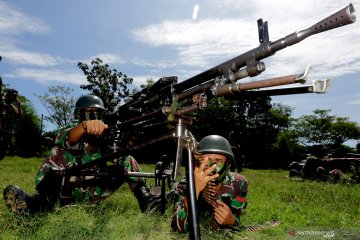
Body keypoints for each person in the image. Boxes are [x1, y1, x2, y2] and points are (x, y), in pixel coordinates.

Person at [3, 95, 166, 214]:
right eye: (87, 113)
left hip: (98, 189)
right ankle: (41, 204)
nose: (92, 117)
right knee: (58, 152)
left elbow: (122, 152)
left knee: (126, 157)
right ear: (78, 115)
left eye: (96, 113)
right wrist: (85, 126)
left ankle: (146, 201)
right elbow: (68, 139)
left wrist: (130, 138)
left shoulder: (108, 132)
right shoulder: (71, 128)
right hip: (69, 192)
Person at [171, 135, 248, 232]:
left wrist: (231, 221)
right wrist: (193, 190)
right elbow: (176, 228)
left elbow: (236, 218)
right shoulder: (186, 183)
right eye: (204, 160)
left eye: (218, 161)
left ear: (228, 163)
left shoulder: (239, 183)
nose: (211, 166)